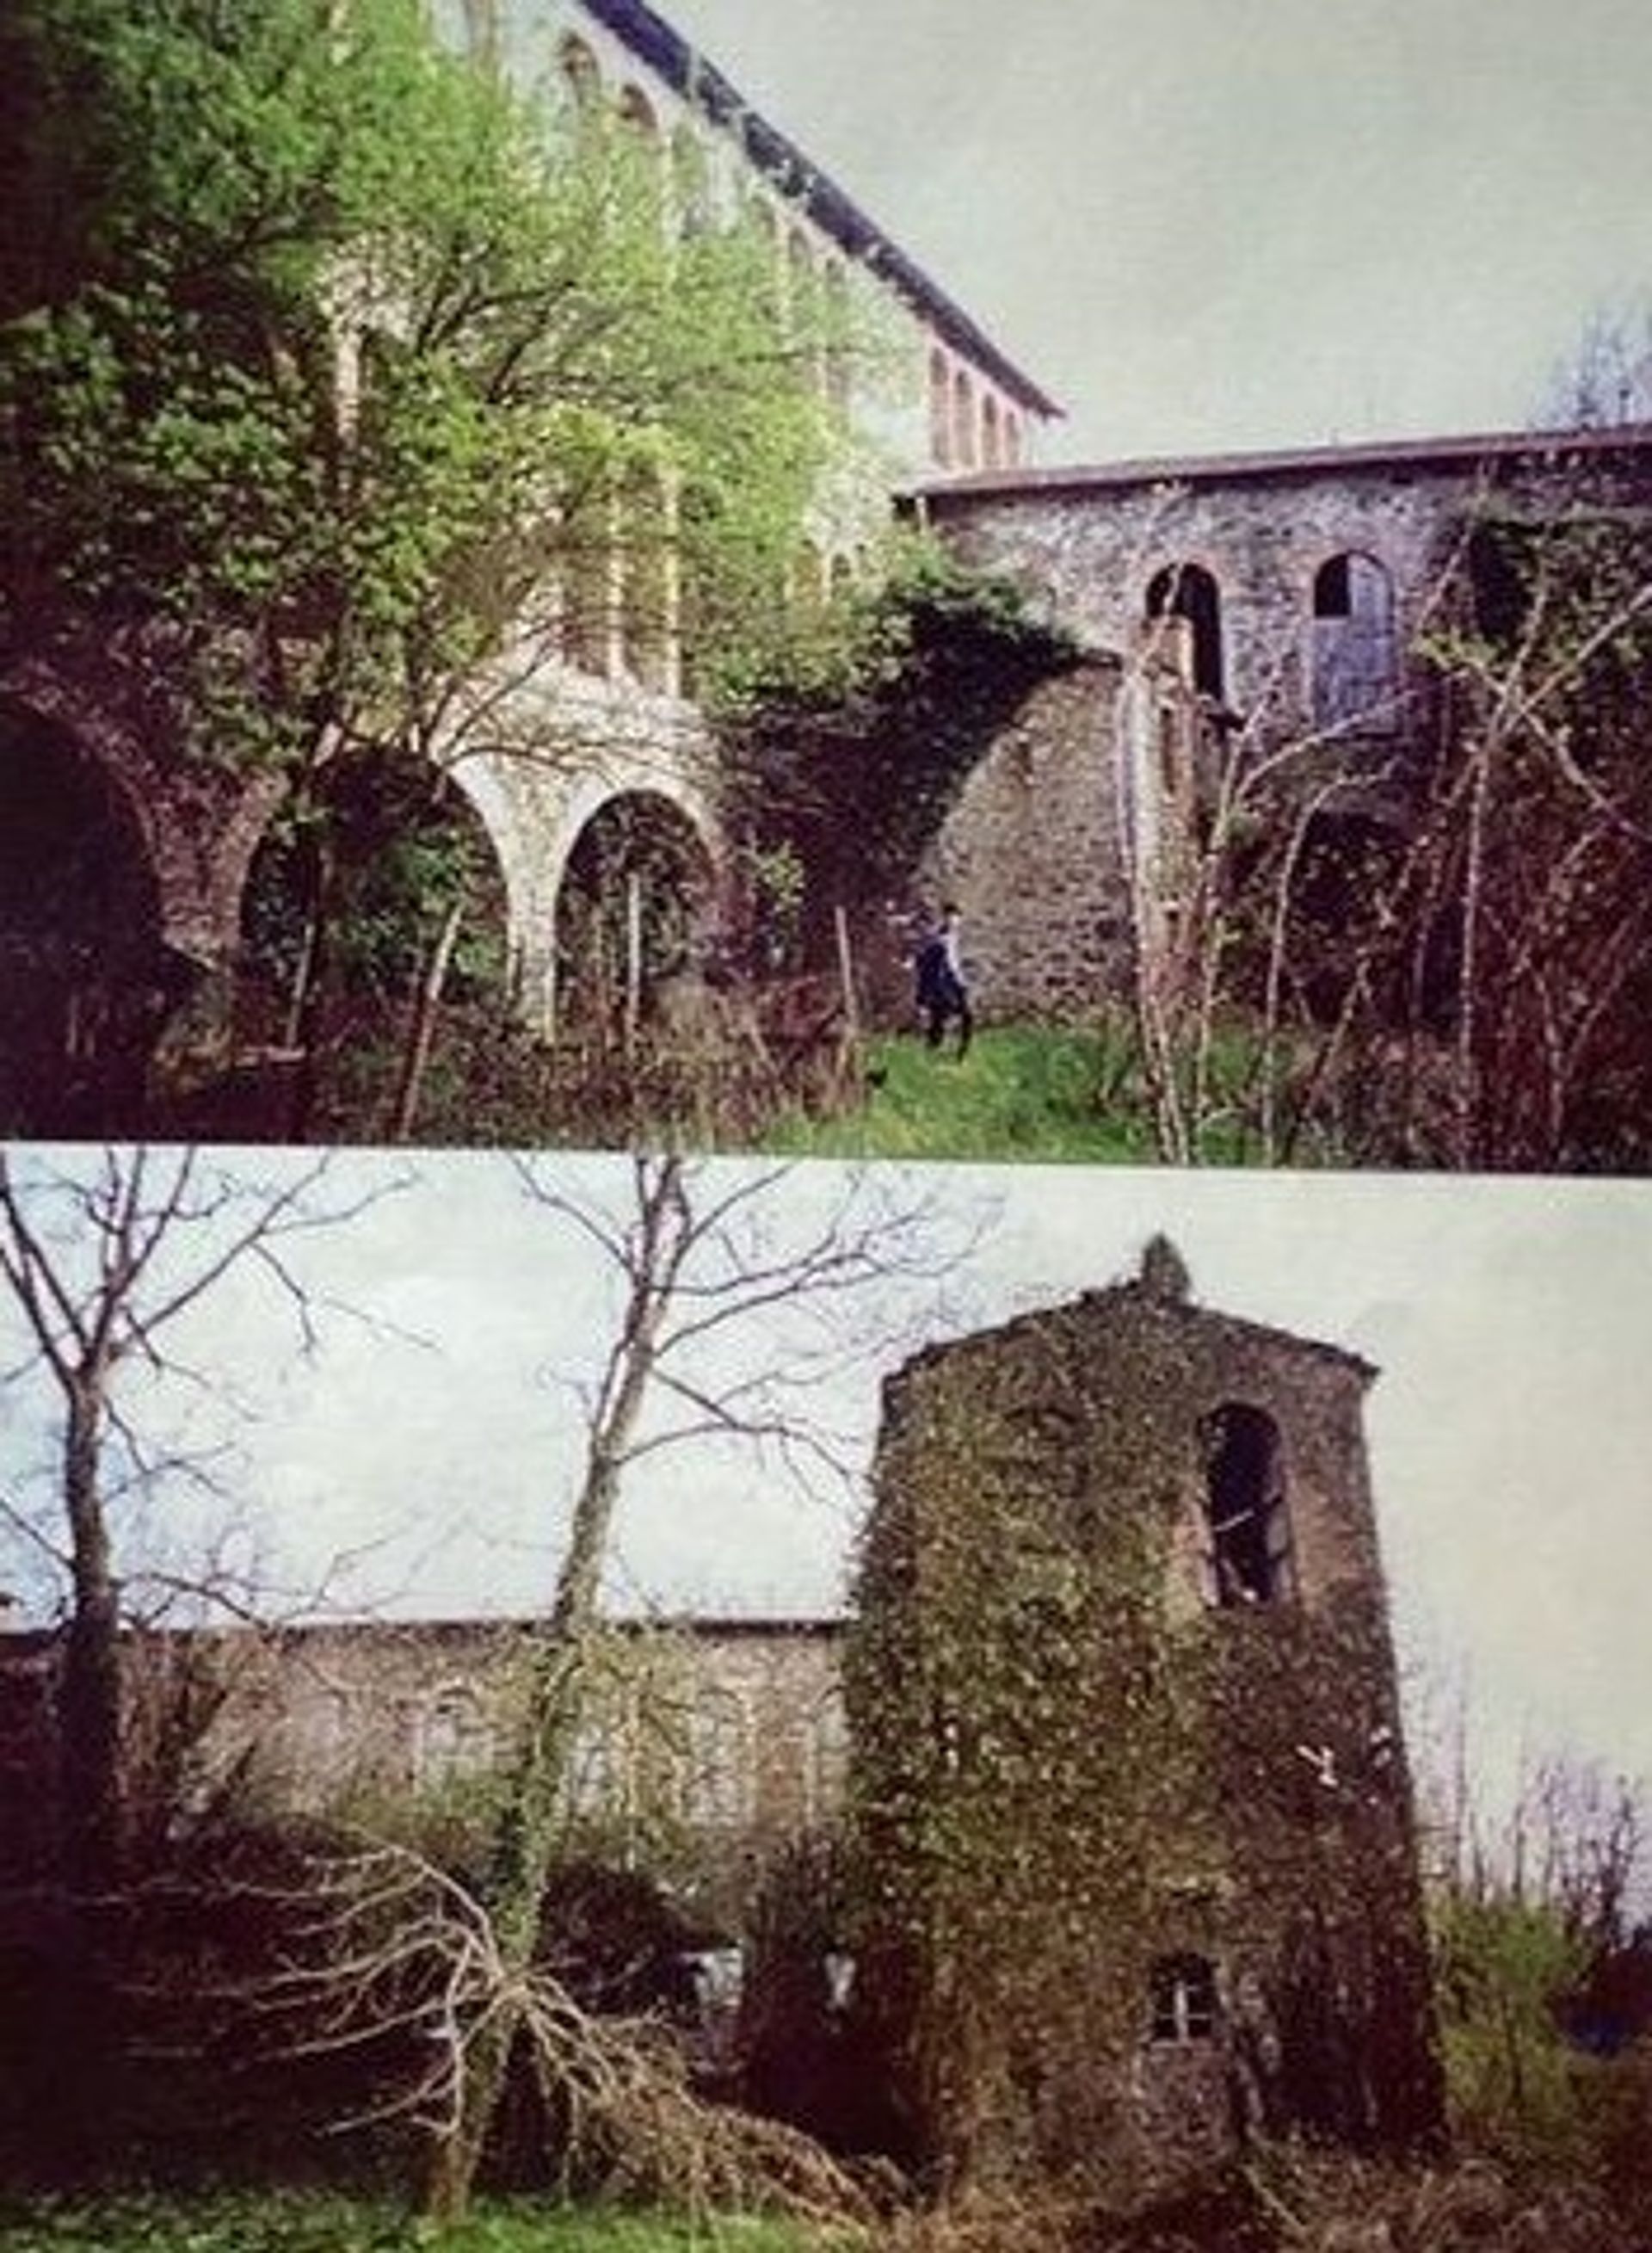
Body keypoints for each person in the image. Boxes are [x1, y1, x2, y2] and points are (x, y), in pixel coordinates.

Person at [914, 901, 972, 1058]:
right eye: (950, 917)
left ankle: (961, 1051)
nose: (954, 920)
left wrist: (962, 977)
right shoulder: (940, 938)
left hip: (952, 981)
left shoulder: (953, 936)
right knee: (944, 1016)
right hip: (943, 983)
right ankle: (935, 1048)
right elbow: (937, 962)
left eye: (956, 917)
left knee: (965, 1015)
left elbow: (955, 961)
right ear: (945, 917)